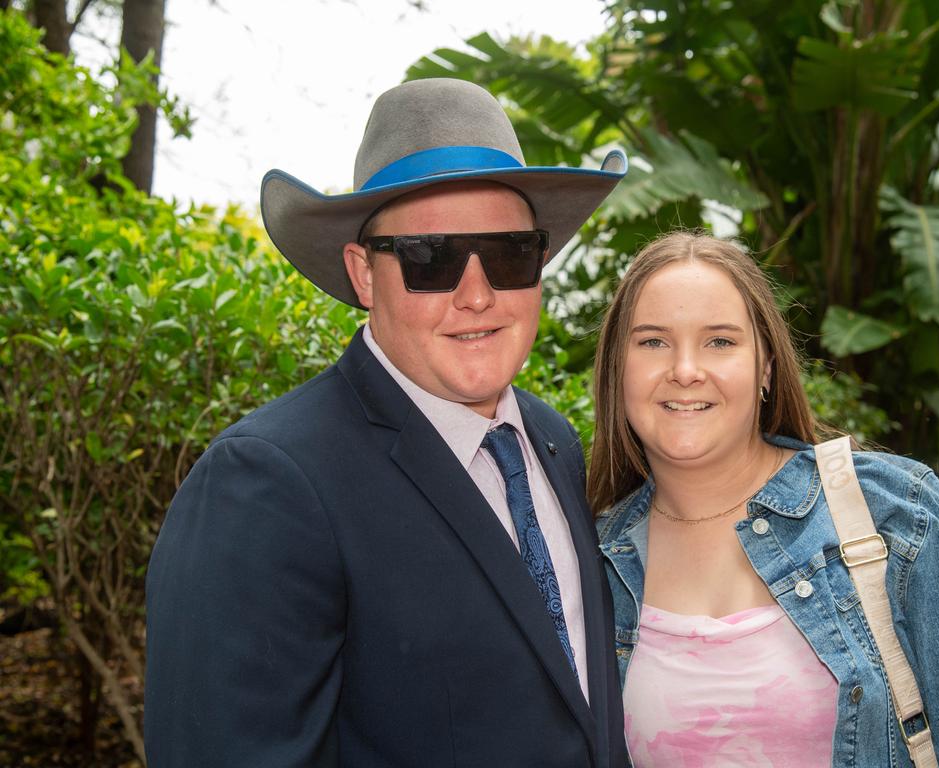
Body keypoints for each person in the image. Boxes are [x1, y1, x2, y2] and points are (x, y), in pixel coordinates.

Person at [144, 78, 630, 768]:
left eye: (510, 254)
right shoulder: (267, 483)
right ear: (364, 274)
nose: (478, 293)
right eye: (431, 258)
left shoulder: (553, 444)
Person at [590, 231, 939, 767]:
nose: (685, 370)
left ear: (766, 366)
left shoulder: (890, 512)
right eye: (653, 341)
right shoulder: (593, 558)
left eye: (720, 341)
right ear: (618, 368)